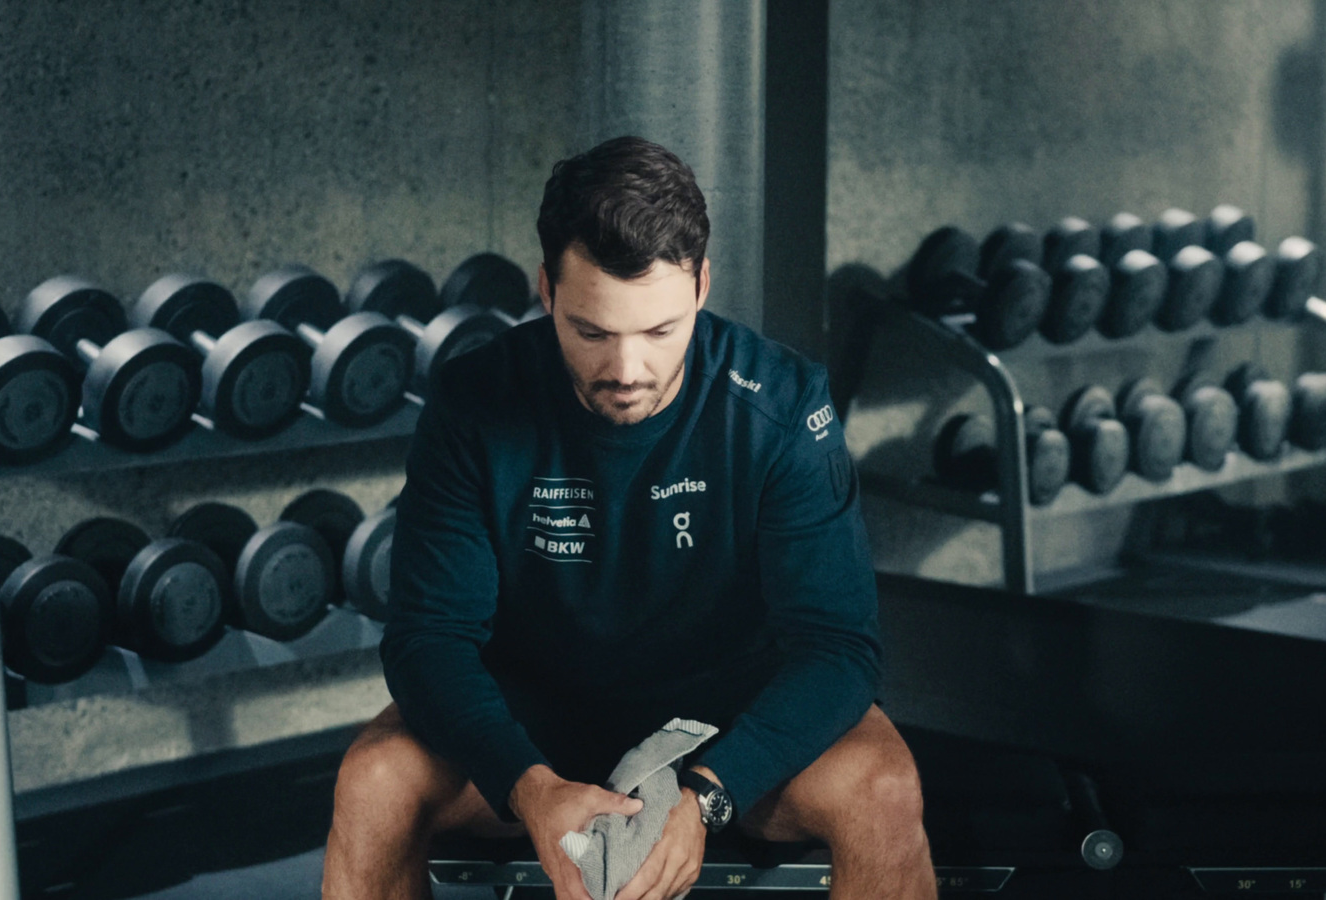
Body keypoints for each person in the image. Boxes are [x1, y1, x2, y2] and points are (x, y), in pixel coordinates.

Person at [322, 136, 934, 900]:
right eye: (592, 332)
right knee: (374, 779)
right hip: (536, 720)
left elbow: (839, 646)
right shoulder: (476, 401)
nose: (627, 369)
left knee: (882, 789)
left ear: (703, 285)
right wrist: (529, 788)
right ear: (547, 290)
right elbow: (428, 641)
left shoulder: (780, 405)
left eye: (659, 331)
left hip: (727, 718)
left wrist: (711, 793)